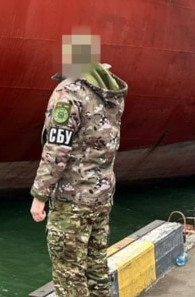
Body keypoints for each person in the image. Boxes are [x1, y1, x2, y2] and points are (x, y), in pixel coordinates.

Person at [29, 30, 128, 297]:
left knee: (68, 273)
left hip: (73, 199)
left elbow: (57, 148)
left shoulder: (68, 92)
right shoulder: (110, 94)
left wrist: (40, 195)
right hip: (102, 194)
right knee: (96, 270)